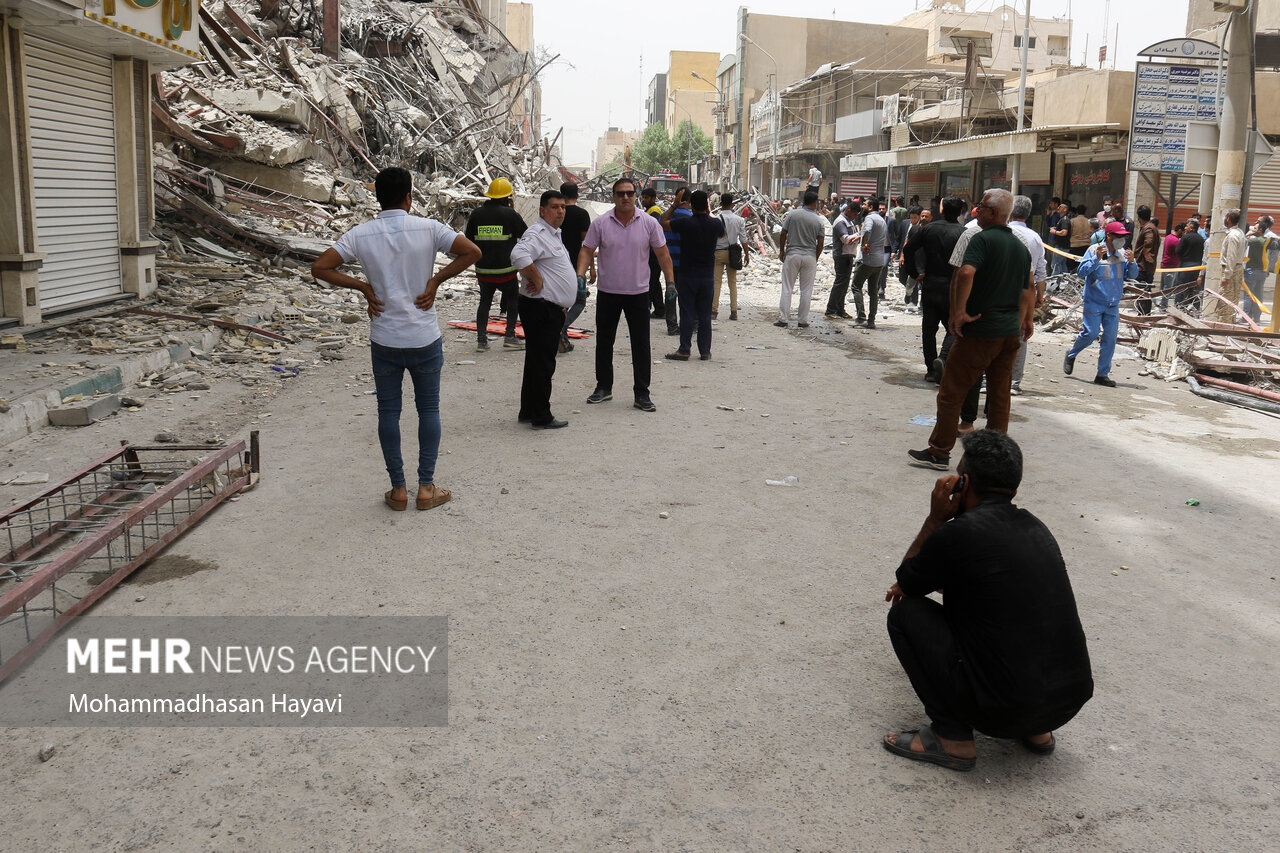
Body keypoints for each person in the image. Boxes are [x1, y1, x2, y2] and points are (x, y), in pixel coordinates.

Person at [883, 430, 1093, 771]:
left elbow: (907, 582)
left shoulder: (958, 533)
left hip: (1003, 712)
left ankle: (952, 738)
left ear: (962, 483)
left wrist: (935, 519)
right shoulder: (1035, 527)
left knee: (906, 615)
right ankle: (1038, 730)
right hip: (1067, 701)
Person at [311, 167, 480, 511]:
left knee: (388, 411)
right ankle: (427, 488)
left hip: (385, 337)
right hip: (423, 335)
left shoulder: (360, 234)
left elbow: (321, 267)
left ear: (377, 197)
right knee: (428, 409)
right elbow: (472, 252)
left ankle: (398, 489)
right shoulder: (429, 228)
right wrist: (435, 282)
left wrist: (363, 287)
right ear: (409, 196)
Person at [908, 189, 1032, 470]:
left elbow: (964, 273)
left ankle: (939, 451)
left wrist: (959, 312)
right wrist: (1026, 320)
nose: (978, 211)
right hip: (1009, 333)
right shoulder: (1020, 246)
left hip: (980, 330)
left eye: (983, 207)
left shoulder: (981, 238)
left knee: (952, 392)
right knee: (999, 396)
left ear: (994, 213)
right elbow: (1028, 288)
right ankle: (996, 458)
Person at [577, 177, 674, 413]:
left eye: (629, 193)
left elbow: (662, 254)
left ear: (636, 195)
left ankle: (642, 394)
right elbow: (587, 250)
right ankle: (603, 387)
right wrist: (580, 276)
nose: (625, 197)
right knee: (604, 342)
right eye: (620, 193)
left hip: (639, 294)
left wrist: (670, 282)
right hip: (608, 293)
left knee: (641, 345)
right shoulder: (600, 223)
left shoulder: (650, 223)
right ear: (613, 196)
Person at [509, 190, 577, 430]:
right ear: (542, 210)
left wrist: (562, 303)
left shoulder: (553, 234)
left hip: (549, 307)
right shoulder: (537, 233)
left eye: (563, 207)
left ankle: (528, 410)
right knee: (543, 363)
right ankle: (541, 416)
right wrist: (536, 279)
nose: (560, 211)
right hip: (540, 308)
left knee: (536, 361)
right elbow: (518, 254)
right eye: (555, 207)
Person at [1063, 221, 1138, 388]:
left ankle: (1102, 374)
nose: (1122, 240)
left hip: (1112, 303)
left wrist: (1132, 262)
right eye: (1119, 236)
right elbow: (1082, 273)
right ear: (1109, 236)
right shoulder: (1093, 250)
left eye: (1124, 237)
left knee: (1110, 339)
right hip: (1094, 301)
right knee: (1091, 333)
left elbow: (1132, 275)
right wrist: (1096, 259)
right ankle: (1072, 354)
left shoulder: (1121, 254)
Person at [904, 196, 966, 382]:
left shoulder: (929, 229)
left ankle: (932, 369)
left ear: (942, 210)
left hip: (930, 285)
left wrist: (914, 273)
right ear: (961, 212)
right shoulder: (964, 233)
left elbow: (908, 249)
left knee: (929, 330)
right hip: (953, 289)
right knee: (953, 328)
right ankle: (944, 358)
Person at [465, 177, 527, 352]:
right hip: (506, 270)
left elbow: (469, 240)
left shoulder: (476, 214)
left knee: (484, 302)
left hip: (483, 270)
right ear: (507, 197)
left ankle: (481, 341)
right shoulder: (510, 214)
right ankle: (509, 336)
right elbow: (526, 234)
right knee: (513, 300)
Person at [661, 189, 724, 361]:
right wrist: (710, 214)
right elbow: (723, 233)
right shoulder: (715, 224)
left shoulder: (686, 223)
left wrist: (674, 205)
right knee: (704, 315)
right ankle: (705, 351)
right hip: (707, 276)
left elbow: (664, 222)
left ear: (691, 204)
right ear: (707, 205)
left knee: (687, 312)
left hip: (687, 274)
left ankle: (684, 350)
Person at [1007, 196, 1047, 396]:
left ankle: (987, 380)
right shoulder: (1035, 238)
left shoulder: (1004, 232)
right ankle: (1014, 382)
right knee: (1020, 337)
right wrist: (1040, 296)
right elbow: (1039, 271)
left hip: (999, 292)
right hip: (1024, 294)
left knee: (994, 336)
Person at [775, 191, 826, 328]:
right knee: (806, 290)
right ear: (815, 203)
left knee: (787, 287)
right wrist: (815, 257)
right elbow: (820, 243)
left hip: (792, 254)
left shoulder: (792, 214)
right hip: (809, 256)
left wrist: (782, 250)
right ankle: (802, 320)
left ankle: (783, 318)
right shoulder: (818, 220)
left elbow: (783, 234)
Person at [557, 182, 593, 353]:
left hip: (557, 263)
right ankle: (562, 328)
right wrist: (591, 268)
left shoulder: (557, 213)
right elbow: (587, 244)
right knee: (579, 300)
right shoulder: (582, 214)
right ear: (577, 195)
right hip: (577, 266)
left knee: (560, 301)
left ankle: (561, 333)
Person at [849, 200, 888, 328]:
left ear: (871, 207)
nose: (862, 206)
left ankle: (861, 318)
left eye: (865, 204)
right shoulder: (882, 220)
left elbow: (867, 231)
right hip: (879, 260)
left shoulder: (870, 218)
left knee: (856, 285)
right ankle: (871, 321)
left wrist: (864, 244)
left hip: (868, 259)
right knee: (873, 291)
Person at [713, 193, 749, 321]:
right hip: (733, 254)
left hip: (718, 253)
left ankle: (714, 311)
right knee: (732, 283)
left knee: (716, 283)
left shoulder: (716, 219)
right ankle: (734, 311)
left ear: (720, 204)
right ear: (732, 204)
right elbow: (743, 239)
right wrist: (746, 254)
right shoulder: (739, 220)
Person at [662, 189, 692, 336]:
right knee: (685, 294)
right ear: (689, 201)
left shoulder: (664, 217)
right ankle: (687, 324)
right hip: (684, 261)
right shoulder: (690, 218)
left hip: (668, 261)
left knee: (670, 290)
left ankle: (672, 326)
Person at [824, 203, 859, 320]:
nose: (855, 216)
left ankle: (840, 310)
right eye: (854, 214)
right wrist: (859, 235)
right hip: (842, 255)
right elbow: (846, 239)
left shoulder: (849, 221)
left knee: (844, 285)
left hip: (848, 255)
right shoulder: (840, 222)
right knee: (840, 284)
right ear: (848, 210)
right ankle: (831, 310)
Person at [1244, 215, 1279, 323]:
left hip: (1252, 270)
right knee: (1258, 294)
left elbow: (1242, 242)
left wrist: (1247, 235)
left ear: (1261, 229)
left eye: (1255, 227)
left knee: (1249, 294)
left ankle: (1245, 317)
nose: (1253, 229)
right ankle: (1257, 317)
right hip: (1263, 271)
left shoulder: (1256, 241)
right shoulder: (1269, 239)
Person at [1214, 209, 1247, 322]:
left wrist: (1226, 275)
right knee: (1233, 299)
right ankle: (1230, 322)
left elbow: (1231, 257)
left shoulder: (1232, 236)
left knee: (1225, 300)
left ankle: (1224, 325)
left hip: (1231, 270)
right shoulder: (1240, 233)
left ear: (1228, 219)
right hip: (1237, 268)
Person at [1131, 205, 1160, 315]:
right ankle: (1143, 314)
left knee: (1143, 292)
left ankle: (1143, 315)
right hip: (1147, 266)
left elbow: (1148, 242)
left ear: (1139, 217)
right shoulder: (1151, 226)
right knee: (1145, 292)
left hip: (1144, 267)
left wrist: (1145, 257)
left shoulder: (1148, 228)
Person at [642, 187, 665, 318]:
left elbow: (651, 232)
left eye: (646, 198)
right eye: (643, 197)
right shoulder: (649, 210)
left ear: (653, 199)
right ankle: (659, 309)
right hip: (651, 252)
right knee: (654, 282)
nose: (644, 200)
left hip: (653, 253)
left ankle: (654, 308)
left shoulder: (654, 211)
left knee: (652, 281)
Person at [1175, 218, 1206, 307]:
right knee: (1195, 290)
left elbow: (1178, 251)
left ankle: (1178, 308)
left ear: (1192, 228)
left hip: (1185, 267)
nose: (1185, 228)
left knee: (1180, 289)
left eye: (1187, 226)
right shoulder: (1201, 239)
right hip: (1197, 268)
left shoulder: (1185, 237)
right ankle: (1194, 308)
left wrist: (1183, 259)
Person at [898, 206, 925, 306]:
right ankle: (909, 293)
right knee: (902, 277)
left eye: (915, 218)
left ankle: (916, 301)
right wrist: (901, 255)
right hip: (909, 257)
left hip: (921, 260)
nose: (912, 220)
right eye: (911, 217)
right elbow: (905, 241)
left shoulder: (925, 228)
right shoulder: (906, 224)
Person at [1047, 203, 1072, 276]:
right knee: (1062, 265)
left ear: (1065, 209)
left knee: (1055, 265)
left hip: (1061, 247)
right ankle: (1066, 282)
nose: (1058, 208)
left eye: (1060, 207)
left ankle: (1054, 283)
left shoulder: (1064, 220)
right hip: (1062, 247)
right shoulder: (1061, 219)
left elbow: (1064, 232)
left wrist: (1054, 232)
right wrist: (1056, 229)